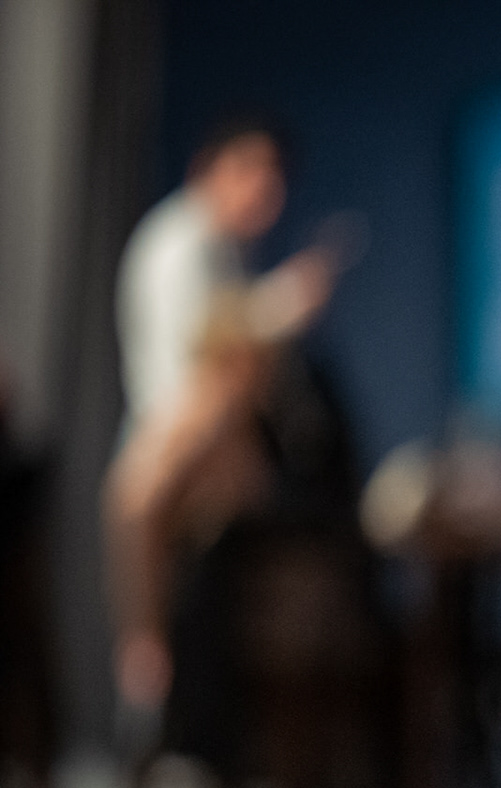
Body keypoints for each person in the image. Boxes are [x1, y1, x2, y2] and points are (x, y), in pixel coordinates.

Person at [105, 116, 334, 721]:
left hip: (202, 461)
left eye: (274, 178)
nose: (265, 190)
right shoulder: (181, 243)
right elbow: (202, 357)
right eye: (251, 171)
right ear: (209, 168)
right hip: (176, 447)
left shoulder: (224, 251)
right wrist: (284, 305)